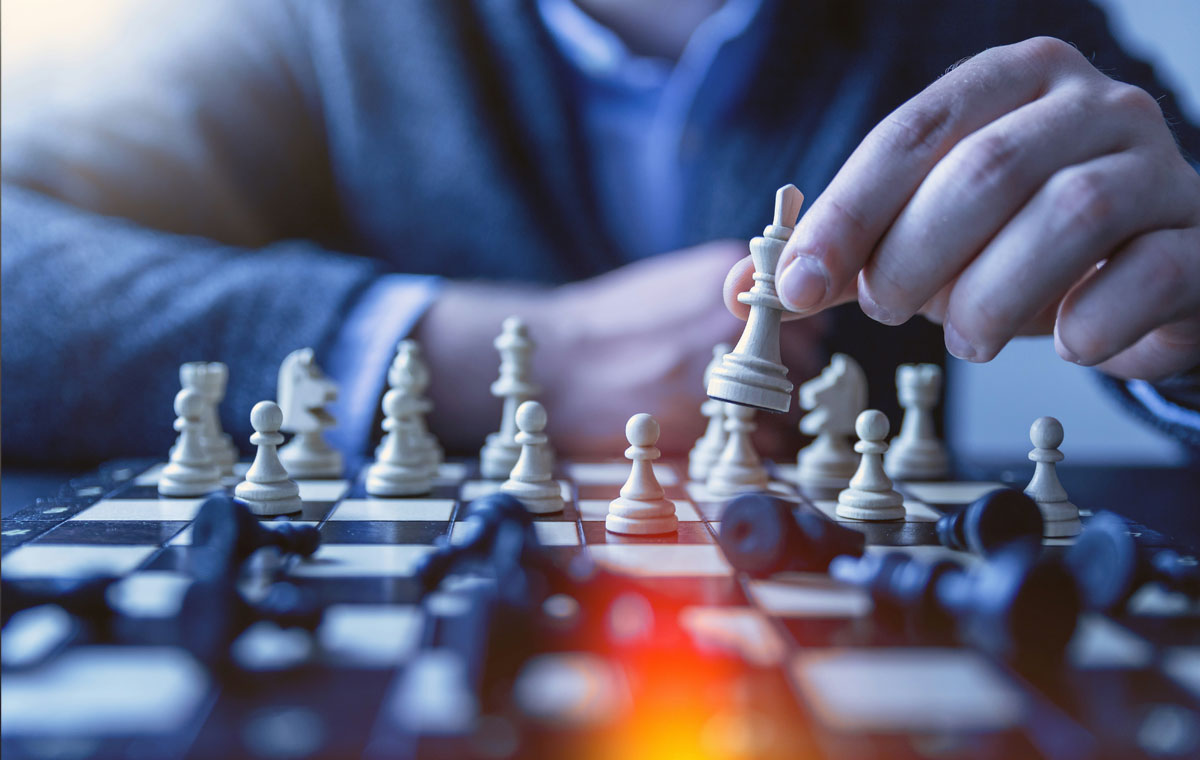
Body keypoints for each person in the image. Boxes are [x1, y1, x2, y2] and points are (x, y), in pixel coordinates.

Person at [2, 0, 1197, 467]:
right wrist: (489, 353)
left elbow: (1166, 222)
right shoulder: (295, 26)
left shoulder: (978, 18)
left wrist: (1190, 333)